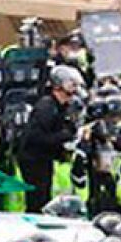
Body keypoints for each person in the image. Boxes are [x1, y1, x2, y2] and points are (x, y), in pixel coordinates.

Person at [17, 65, 83, 212]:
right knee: (38, 196)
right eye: (71, 84)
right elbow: (36, 137)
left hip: (45, 158)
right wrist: (65, 136)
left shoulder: (62, 107)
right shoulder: (46, 106)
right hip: (34, 160)